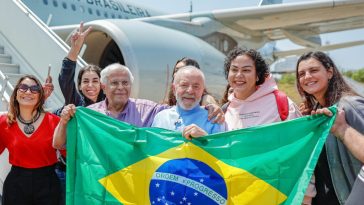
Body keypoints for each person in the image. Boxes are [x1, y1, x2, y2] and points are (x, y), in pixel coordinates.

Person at [53, 63, 224, 149]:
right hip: (101, 186)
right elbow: (59, 144)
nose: (121, 87)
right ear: (104, 87)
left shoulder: (151, 111)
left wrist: (210, 103)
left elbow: (184, 105)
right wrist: (63, 121)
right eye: (115, 83)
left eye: (125, 83)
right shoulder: (89, 115)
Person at [222, 47, 314, 204]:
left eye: (246, 70)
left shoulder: (280, 103)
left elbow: (303, 151)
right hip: (238, 197)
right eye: (234, 69)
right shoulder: (225, 110)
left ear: (258, 75)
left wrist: (306, 196)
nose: (239, 75)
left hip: (277, 195)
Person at [296, 51, 364, 205]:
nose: (307, 77)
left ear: (329, 72)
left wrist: (343, 129)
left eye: (313, 71)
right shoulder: (318, 112)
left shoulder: (351, 106)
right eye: (301, 74)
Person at [0, 75, 61, 205]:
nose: (28, 92)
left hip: (48, 186)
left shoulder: (56, 122)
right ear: (16, 93)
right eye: (23, 87)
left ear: (40, 95)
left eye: (34, 89)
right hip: (16, 187)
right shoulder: (4, 122)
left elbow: (70, 153)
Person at [153, 66, 224, 139]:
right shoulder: (161, 118)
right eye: (184, 85)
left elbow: (222, 149)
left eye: (196, 86)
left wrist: (205, 139)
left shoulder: (214, 120)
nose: (190, 91)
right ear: (174, 89)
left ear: (202, 91)